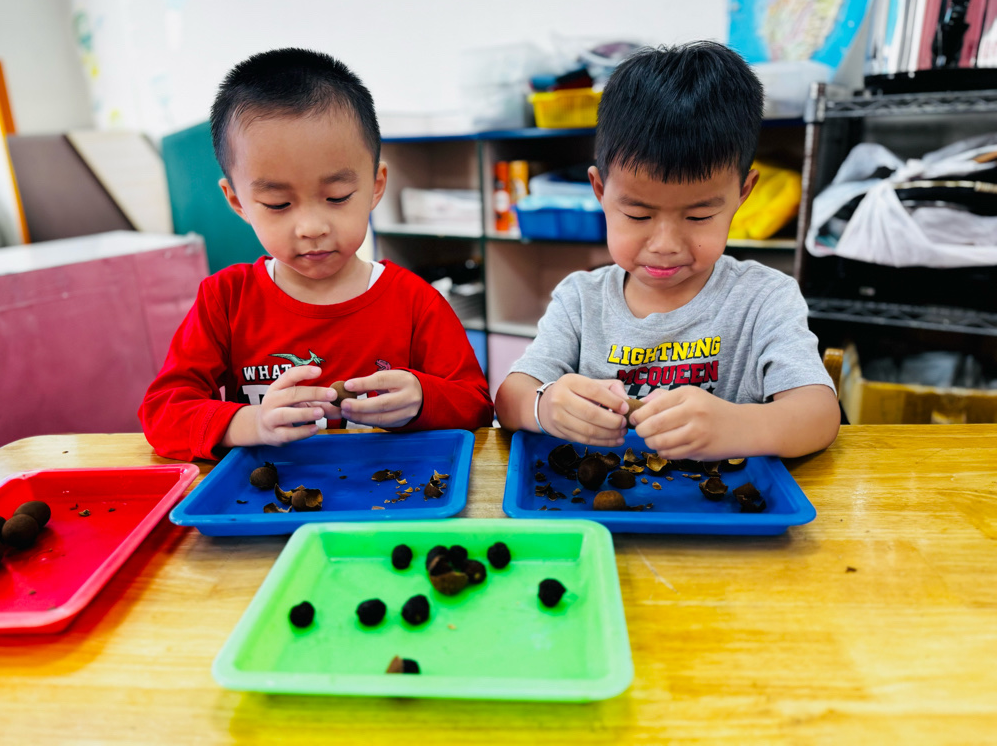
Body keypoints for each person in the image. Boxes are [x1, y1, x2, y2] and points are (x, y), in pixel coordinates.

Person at [140, 48, 493, 461]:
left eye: (337, 196)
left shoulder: (415, 301)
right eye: (278, 204)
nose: (311, 227)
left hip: (392, 490)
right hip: (267, 492)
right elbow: (162, 413)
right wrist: (250, 423)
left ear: (376, 186)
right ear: (237, 202)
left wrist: (422, 399)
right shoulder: (226, 300)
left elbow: (477, 404)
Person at [495, 42, 839, 459]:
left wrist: (740, 425)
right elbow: (509, 399)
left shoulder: (764, 298)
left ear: (742, 194)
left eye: (698, 217)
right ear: (600, 191)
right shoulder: (581, 301)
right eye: (638, 215)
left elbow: (820, 414)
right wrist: (545, 405)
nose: (665, 246)